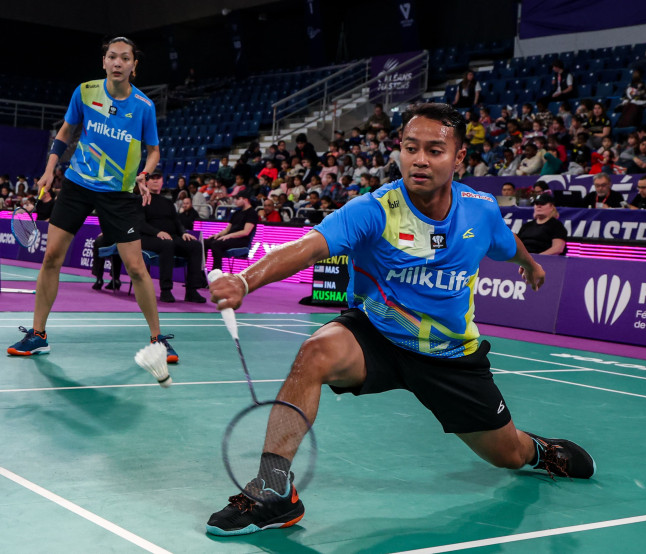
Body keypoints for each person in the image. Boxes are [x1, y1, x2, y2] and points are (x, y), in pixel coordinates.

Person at [205, 103, 594, 537]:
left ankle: (539, 452)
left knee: (507, 454)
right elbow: (309, 247)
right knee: (315, 352)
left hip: (450, 356)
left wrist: (530, 264)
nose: (420, 159)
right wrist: (245, 280)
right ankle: (273, 492)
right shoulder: (374, 209)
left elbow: (507, 245)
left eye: (434, 150)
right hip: (378, 334)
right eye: (411, 148)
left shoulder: (480, 210)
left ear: (460, 157)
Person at [7, 36, 178, 362]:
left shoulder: (143, 106)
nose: (117, 63)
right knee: (52, 257)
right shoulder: (85, 92)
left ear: (133, 65)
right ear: (104, 62)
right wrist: (49, 169)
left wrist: (144, 174)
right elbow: (65, 133)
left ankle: (158, 339)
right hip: (77, 184)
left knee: (136, 267)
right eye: (112, 57)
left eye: (124, 58)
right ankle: (38, 335)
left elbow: (153, 150)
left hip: (119, 192)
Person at [139, 173, 207, 303]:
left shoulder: (168, 202)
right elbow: (140, 223)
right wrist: (157, 232)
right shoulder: (140, 199)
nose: (155, 181)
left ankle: (192, 291)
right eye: (151, 178)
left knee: (195, 245)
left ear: (162, 182)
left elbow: (177, 221)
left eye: (158, 178)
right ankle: (166, 290)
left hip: (171, 237)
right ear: (146, 183)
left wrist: (183, 233)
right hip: (148, 237)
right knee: (167, 244)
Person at [203, 191, 257, 271]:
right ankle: (202, 270)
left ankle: (216, 271)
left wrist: (229, 236)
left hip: (242, 241)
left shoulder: (252, 213)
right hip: (230, 238)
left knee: (216, 244)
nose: (235, 201)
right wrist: (217, 235)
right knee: (205, 242)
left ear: (245, 200)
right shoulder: (236, 212)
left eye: (238, 199)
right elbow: (227, 229)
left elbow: (246, 232)